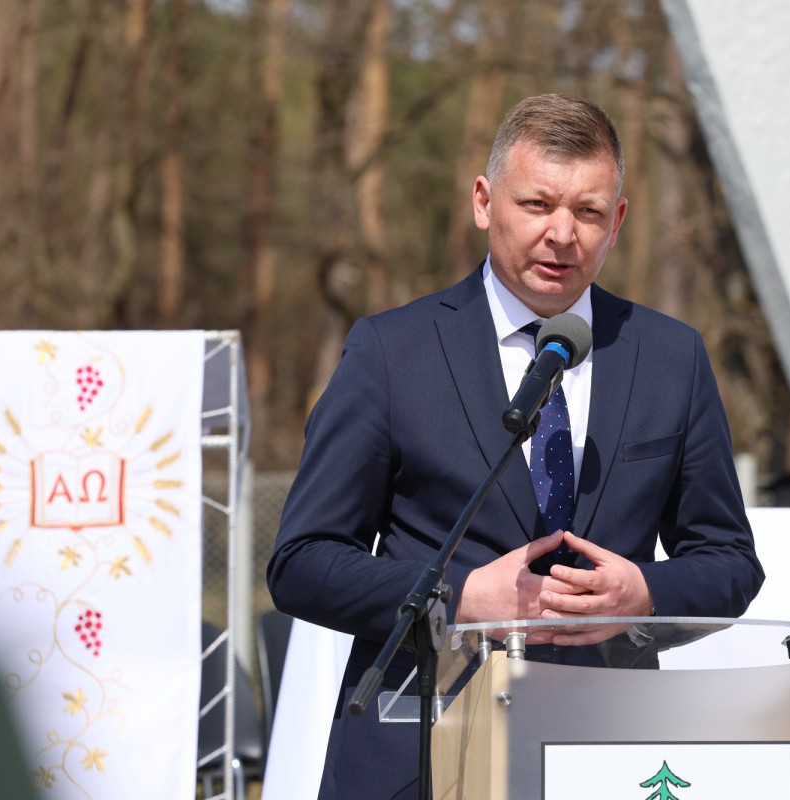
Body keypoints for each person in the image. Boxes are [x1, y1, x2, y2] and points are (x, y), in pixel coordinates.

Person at [267, 92, 764, 800]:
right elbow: (303, 562)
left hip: (606, 751)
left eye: (588, 212)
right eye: (536, 205)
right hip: (420, 752)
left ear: (617, 222)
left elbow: (729, 561)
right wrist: (461, 597)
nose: (563, 234)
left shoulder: (670, 358)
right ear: (484, 202)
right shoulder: (391, 353)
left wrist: (643, 593)